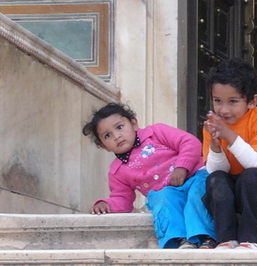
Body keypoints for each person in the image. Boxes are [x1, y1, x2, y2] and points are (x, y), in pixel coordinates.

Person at [83, 102, 216, 249]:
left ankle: (206, 236)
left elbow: (189, 142)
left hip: (195, 176)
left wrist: (182, 167)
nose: (117, 136)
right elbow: (122, 199)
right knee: (161, 198)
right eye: (107, 135)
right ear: (103, 145)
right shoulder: (117, 171)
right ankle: (179, 240)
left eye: (120, 127)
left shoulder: (156, 132)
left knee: (197, 193)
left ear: (134, 124)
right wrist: (106, 205)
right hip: (169, 193)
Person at [202, 58, 257, 250]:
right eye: (217, 101)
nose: (224, 109)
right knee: (216, 179)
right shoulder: (213, 124)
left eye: (233, 102)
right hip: (236, 186)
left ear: (252, 101)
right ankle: (226, 238)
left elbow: (256, 162)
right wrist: (216, 146)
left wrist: (229, 135)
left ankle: (253, 239)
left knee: (250, 176)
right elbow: (216, 171)